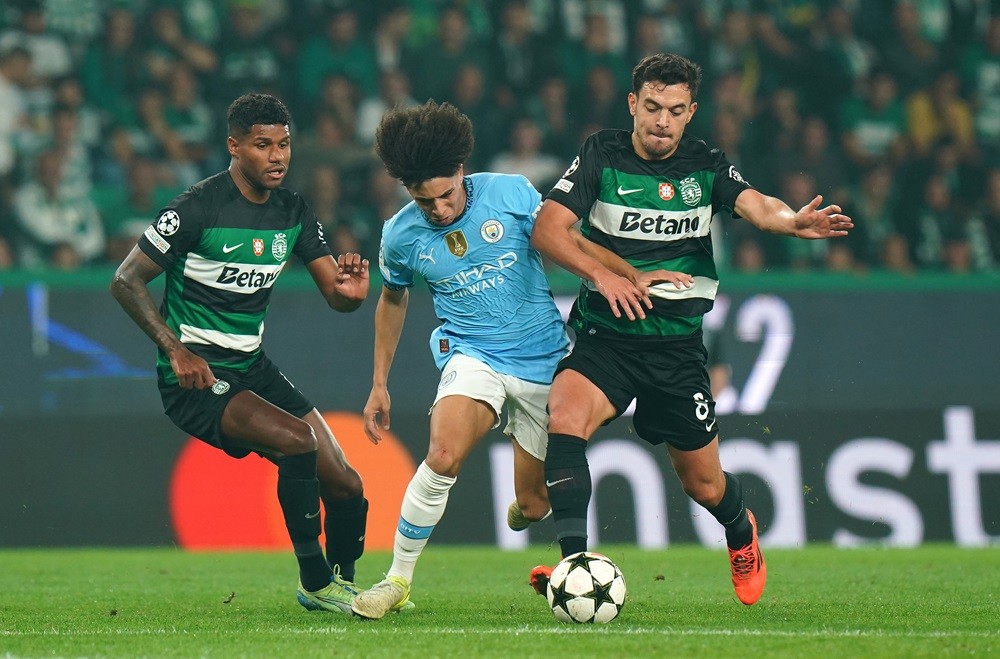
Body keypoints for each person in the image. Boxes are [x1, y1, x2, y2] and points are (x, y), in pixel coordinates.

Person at [528, 53, 854, 607]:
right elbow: (548, 230)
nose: (661, 121)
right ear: (632, 104)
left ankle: (741, 529)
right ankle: (573, 566)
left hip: (676, 351)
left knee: (703, 484)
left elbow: (755, 204)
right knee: (564, 415)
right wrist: (604, 277)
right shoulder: (600, 155)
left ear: (691, 112)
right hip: (606, 340)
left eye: (675, 111)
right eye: (652, 107)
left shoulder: (706, 164)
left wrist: (789, 221)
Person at [349, 100, 686, 620]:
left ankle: (525, 502)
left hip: (543, 361)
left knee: (535, 506)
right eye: (424, 202)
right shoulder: (400, 235)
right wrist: (378, 382)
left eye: (445, 195)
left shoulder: (510, 192)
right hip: (471, 354)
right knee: (442, 454)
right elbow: (393, 299)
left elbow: (568, 240)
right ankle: (397, 579)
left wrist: (630, 274)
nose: (437, 210)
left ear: (461, 171)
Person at [109, 93, 371, 614]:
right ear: (234, 147)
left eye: (285, 144)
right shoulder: (196, 207)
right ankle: (316, 583)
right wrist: (175, 349)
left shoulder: (292, 211)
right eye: (262, 145)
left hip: (252, 367)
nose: (278, 156)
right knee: (297, 442)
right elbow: (125, 280)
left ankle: (347, 584)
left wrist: (351, 296)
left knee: (345, 482)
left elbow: (335, 297)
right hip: (196, 377)